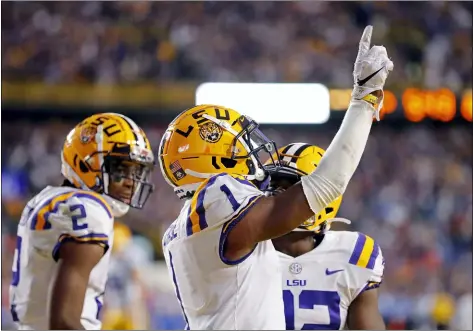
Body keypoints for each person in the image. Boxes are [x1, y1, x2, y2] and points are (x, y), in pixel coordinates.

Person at [159, 25, 393, 329]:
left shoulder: (181, 228)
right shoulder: (219, 196)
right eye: (237, 145)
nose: (250, 153)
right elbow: (324, 185)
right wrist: (364, 101)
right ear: (213, 155)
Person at [9, 113, 155, 330]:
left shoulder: (46, 199)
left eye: (135, 172)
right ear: (87, 164)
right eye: (121, 170)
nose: (130, 184)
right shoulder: (90, 211)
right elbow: (64, 322)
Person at [266, 143, 385, 330]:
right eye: (272, 185)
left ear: (324, 197)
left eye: (289, 188)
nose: (275, 195)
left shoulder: (353, 254)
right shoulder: (240, 248)